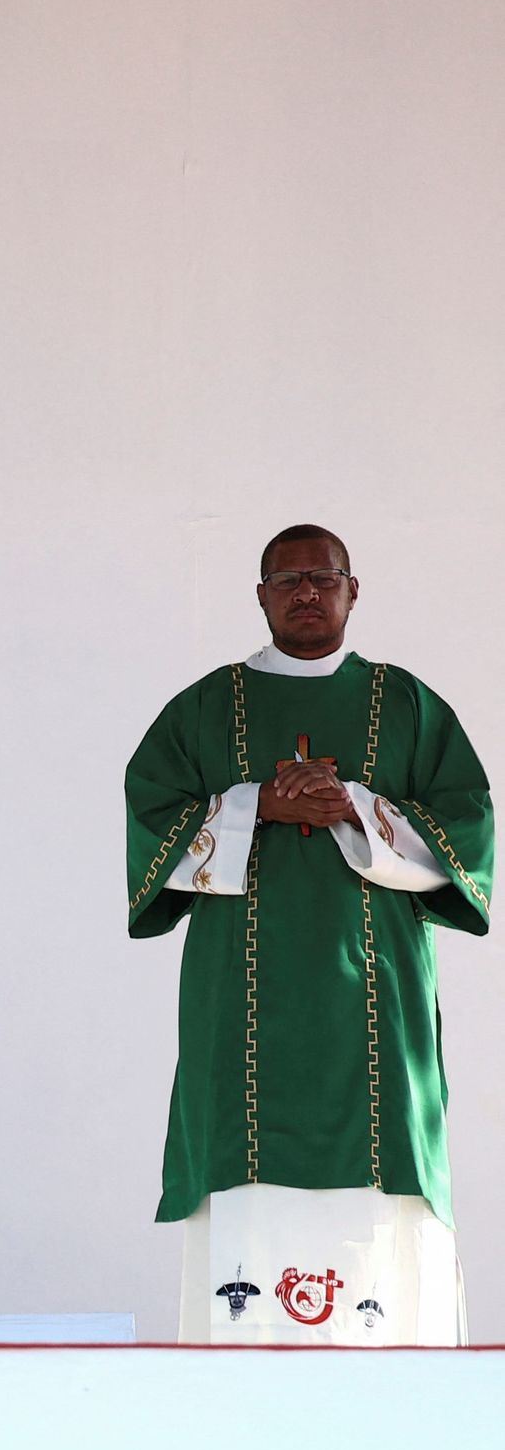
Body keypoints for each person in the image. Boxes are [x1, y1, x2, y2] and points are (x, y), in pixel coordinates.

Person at [126, 526, 490, 1344]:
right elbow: (150, 823)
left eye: (323, 578)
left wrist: (356, 805)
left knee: (383, 1175)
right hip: (238, 997)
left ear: (353, 591)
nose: (306, 592)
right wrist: (261, 804)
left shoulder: (407, 705)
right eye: (286, 578)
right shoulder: (205, 708)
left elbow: (470, 829)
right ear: (260, 596)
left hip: (377, 990)